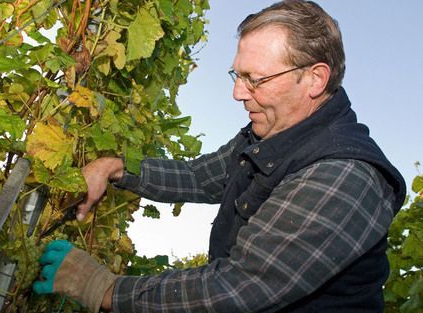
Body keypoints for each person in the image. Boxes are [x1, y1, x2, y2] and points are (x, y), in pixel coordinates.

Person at [33, 1, 406, 312]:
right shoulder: (269, 137)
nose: (238, 94)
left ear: (315, 79)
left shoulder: (344, 176)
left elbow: (239, 288)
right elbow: (198, 176)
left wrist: (104, 287)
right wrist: (115, 168)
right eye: (237, 75)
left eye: (255, 79)